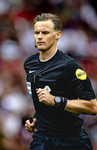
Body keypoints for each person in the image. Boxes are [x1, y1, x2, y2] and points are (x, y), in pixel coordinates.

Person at [24, 13, 97, 150]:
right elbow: (41, 100)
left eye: (45, 32)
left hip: (71, 140)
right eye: (37, 32)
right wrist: (36, 119)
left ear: (57, 35)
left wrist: (56, 100)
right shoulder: (30, 64)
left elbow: (92, 106)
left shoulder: (70, 66)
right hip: (42, 139)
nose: (39, 36)